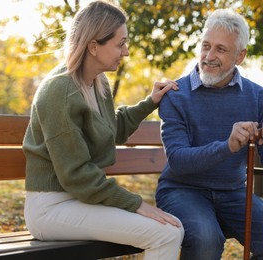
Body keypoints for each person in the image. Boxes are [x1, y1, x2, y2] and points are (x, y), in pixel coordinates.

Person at [22, 1, 183, 259]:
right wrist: (136, 204)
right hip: (51, 208)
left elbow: (112, 130)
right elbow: (77, 175)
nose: (126, 51)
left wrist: (150, 102)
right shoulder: (59, 91)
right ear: (93, 46)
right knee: (167, 233)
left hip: (80, 200)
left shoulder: (98, 83)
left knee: (169, 227)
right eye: (120, 43)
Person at [155, 8, 263, 260]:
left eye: (221, 49)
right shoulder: (176, 95)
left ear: (240, 56)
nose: (209, 56)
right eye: (206, 46)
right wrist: (227, 146)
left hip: (234, 193)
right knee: (206, 240)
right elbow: (178, 161)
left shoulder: (256, 96)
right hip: (182, 191)